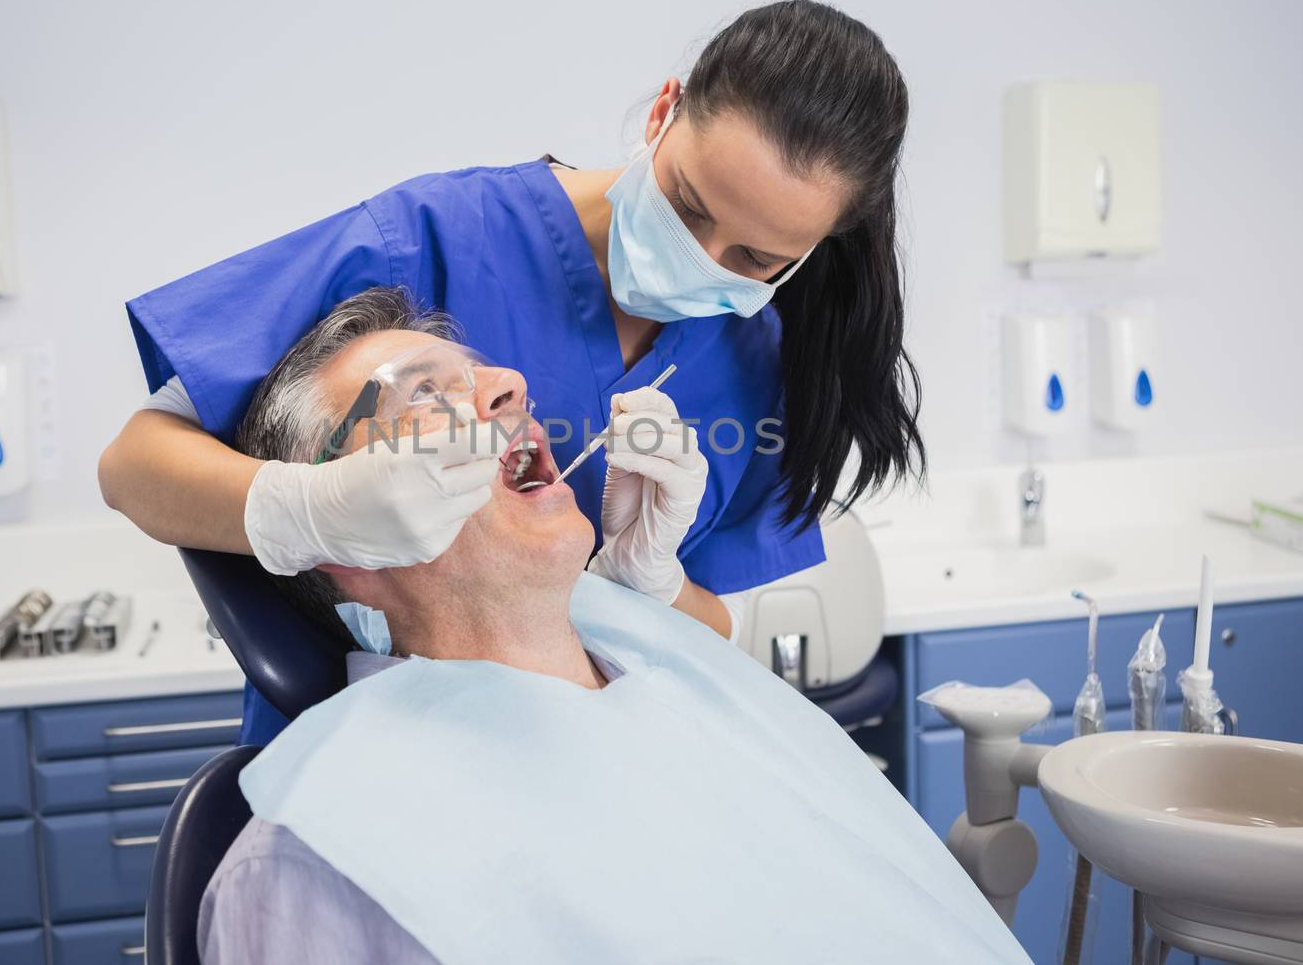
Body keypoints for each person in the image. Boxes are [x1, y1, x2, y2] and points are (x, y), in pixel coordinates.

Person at [100, 0, 925, 746]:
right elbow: (134, 465)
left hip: (613, 778)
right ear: (665, 111)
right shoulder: (432, 236)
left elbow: (709, 628)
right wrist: (308, 512)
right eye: (689, 205)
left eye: (757, 256)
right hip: (382, 771)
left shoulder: (769, 366)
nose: (702, 258)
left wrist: (651, 580)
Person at [197, 289, 1022, 965]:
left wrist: (652, 589)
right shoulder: (325, 855)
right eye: (422, 393)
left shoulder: (662, 668)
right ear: (340, 523)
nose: (509, 383)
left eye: (480, 370)